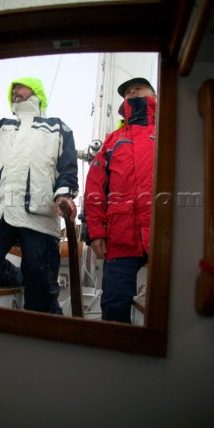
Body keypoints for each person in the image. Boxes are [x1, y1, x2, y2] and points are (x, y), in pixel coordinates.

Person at [0, 77, 78, 314]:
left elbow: (68, 169)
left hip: (40, 215)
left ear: (36, 92)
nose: (15, 92)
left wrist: (64, 195)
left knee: (41, 292)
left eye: (20, 87)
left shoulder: (58, 128)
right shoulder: (0, 126)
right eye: (12, 90)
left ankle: (47, 339)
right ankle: (18, 276)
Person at [84, 77, 157, 323]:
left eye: (138, 88)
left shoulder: (169, 132)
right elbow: (94, 187)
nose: (131, 91)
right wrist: (95, 232)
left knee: (173, 303)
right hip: (121, 235)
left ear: (154, 95)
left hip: (164, 232)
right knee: (114, 306)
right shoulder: (113, 139)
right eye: (127, 91)